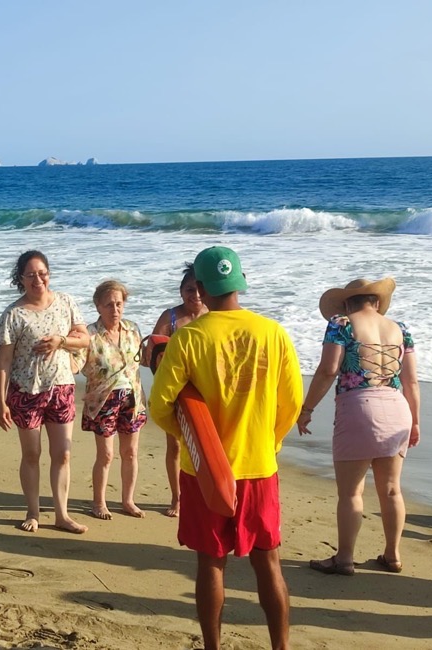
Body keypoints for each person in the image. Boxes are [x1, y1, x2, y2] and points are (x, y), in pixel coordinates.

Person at [150, 246, 302, 650]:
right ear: (239, 282)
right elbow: (291, 404)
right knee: (268, 562)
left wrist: (191, 443)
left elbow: (160, 404)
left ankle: (213, 647)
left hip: (204, 473)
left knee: (210, 562)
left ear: (199, 288)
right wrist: (269, 444)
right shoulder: (273, 333)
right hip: (259, 468)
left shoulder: (189, 339)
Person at [298, 278, 420, 576]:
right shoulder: (400, 328)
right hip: (397, 409)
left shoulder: (342, 324)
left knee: (351, 492)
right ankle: (392, 555)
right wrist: (415, 421)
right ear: (376, 302)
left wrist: (307, 408)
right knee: (392, 490)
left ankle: (345, 559)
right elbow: (411, 382)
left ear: (347, 303)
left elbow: (328, 370)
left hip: (360, 409)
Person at [0, 250, 90, 534]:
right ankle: (33, 512)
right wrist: (1, 402)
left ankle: (62, 515)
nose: (38, 279)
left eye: (42, 272)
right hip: (26, 391)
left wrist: (61, 340)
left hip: (61, 387)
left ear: (49, 273)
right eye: (31, 274)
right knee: (32, 454)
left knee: (63, 454)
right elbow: (4, 361)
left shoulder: (66, 302)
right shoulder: (14, 314)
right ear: (21, 279)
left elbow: (84, 339)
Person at [74, 280, 147, 520]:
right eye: (108, 305)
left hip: (133, 399)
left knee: (130, 453)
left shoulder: (132, 329)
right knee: (106, 455)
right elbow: (74, 363)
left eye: (119, 304)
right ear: (98, 306)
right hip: (103, 400)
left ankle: (128, 501)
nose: (114, 310)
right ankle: (99, 503)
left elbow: (145, 360)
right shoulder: (90, 334)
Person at [146, 263, 208, 517]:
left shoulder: (212, 314)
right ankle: (177, 498)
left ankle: (206, 494)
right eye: (188, 290)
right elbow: (152, 354)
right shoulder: (171, 317)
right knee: (175, 447)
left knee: (205, 446)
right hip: (176, 392)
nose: (194, 295)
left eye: (198, 290)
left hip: (206, 391)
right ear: (181, 291)